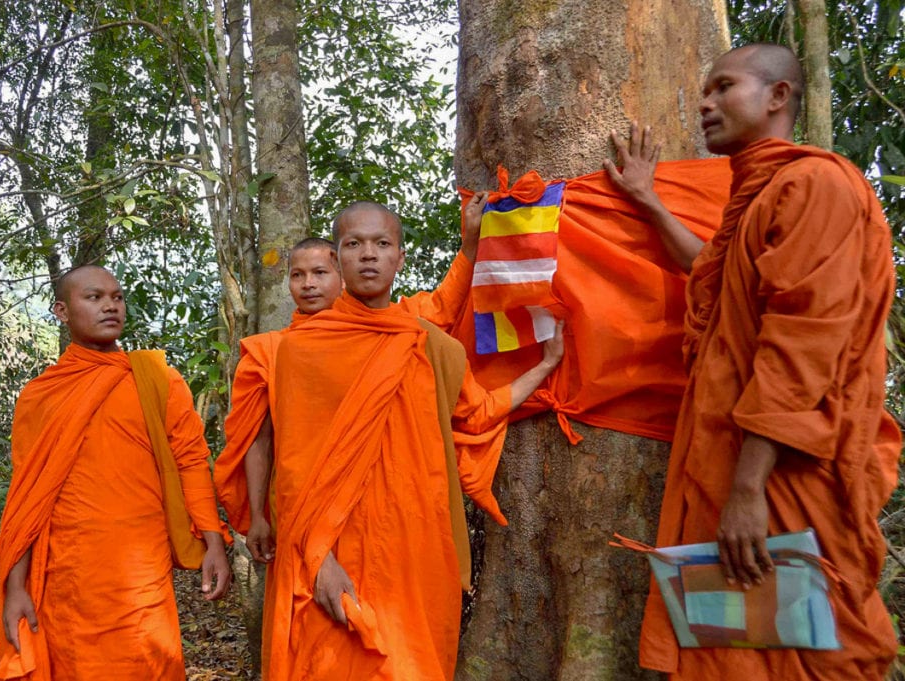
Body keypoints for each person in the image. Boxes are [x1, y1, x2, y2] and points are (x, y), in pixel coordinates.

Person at [605, 44, 900, 680]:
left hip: (782, 474)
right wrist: (647, 200)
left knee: (817, 651)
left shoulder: (816, 185)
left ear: (777, 97)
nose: (705, 103)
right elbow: (711, 271)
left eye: (722, 86)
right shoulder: (757, 200)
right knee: (738, 649)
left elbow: (803, 342)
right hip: (733, 466)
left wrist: (747, 489)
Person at [261, 201, 564, 680]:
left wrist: (544, 367)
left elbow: (479, 411)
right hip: (336, 548)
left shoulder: (431, 344)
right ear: (337, 260)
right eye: (354, 244)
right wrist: (320, 561)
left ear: (400, 257)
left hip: (416, 547)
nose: (368, 255)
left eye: (382, 244)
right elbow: (293, 468)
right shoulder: (301, 349)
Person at [215, 194, 491, 563]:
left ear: (338, 276)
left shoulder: (394, 324)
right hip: (307, 508)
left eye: (319, 274)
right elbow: (262, 440)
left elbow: (441, 308)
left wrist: (470, 247)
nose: (309, 284)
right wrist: (261, 515)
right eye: (298, 275)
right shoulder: (276, 350)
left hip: (396, 513)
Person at [0, 265, 232, 680]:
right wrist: (16, 587)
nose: (110, 306)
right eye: (95, 297)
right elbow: (26, 498)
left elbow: (191, 460)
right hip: (70, 575)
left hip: (143, 570)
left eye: (117, 298)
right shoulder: (41, 396)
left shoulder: (157, 380)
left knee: (150, 662)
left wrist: (213, 542)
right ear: (62, 311)